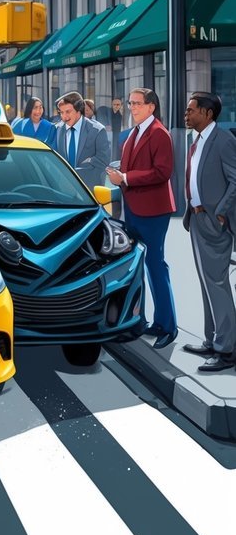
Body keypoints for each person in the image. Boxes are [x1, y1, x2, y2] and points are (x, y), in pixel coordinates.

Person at [107, 87, 177, 349]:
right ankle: (151, 322)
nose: (132, 107)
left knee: (156, 265)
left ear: (151, 107)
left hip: (154, 210)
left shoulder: (159, 133)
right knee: (139, 266)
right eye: (130, 103)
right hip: (133, 207)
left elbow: (162, 172)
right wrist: (119, 174)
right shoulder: (133, 134)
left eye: (137, 103)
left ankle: (168, 326)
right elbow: (129, 169)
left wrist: (124, 178)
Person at [180, 93, 236, 372]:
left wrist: (221, 213)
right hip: (197, 218)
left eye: (191, 110)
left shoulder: (224, 141)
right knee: (206, 283)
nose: (186, 115)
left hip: (214, 221)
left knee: (217, 283)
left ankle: (227, 351)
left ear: (208, 113)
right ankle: (212, 340)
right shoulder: (197, 140)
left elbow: (235, 180)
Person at [55, 92, 111, 187]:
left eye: (68, 112)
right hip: (62, 190)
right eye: (61, 112)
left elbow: (103, 161)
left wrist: (76, 173)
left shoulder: (97, 130)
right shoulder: (57, 129)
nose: (64, 117)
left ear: (79, 110)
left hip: (88, 191)